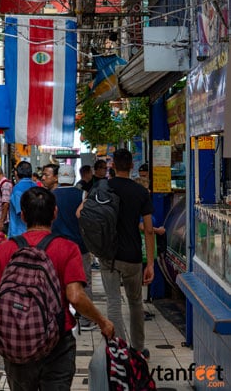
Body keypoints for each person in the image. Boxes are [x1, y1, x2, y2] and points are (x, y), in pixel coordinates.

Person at [0, 187, 114, 389]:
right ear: (55, 213)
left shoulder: (6, 249)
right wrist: (102, 321)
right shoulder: (67, 248)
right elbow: (75, 296)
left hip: (16, 342)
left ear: (24, 215)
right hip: (57, 342)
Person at [95, 148, 154, 359]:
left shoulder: (103, 188)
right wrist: (151, 264)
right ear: (131, 166)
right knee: (135, 302)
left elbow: (80, 212)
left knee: (113, 301)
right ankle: (138, 348)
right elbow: (148, 229)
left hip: (108, 256)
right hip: (133, 256)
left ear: (112, 166)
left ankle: (118, 347)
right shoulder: (140, 192)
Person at [52, 164, 95, 331]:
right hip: (80, 246)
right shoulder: (82, 194)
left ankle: (59, 316)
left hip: (57, 247)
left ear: (59, 178)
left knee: (58, 282)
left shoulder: (51, 196)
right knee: (85, 282)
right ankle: (86, 319)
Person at [8, 160, 36, 237]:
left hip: (19, 234)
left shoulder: (17, 189)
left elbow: (20, 211)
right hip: (35, 233)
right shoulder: (36, 187)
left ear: (16, 173)